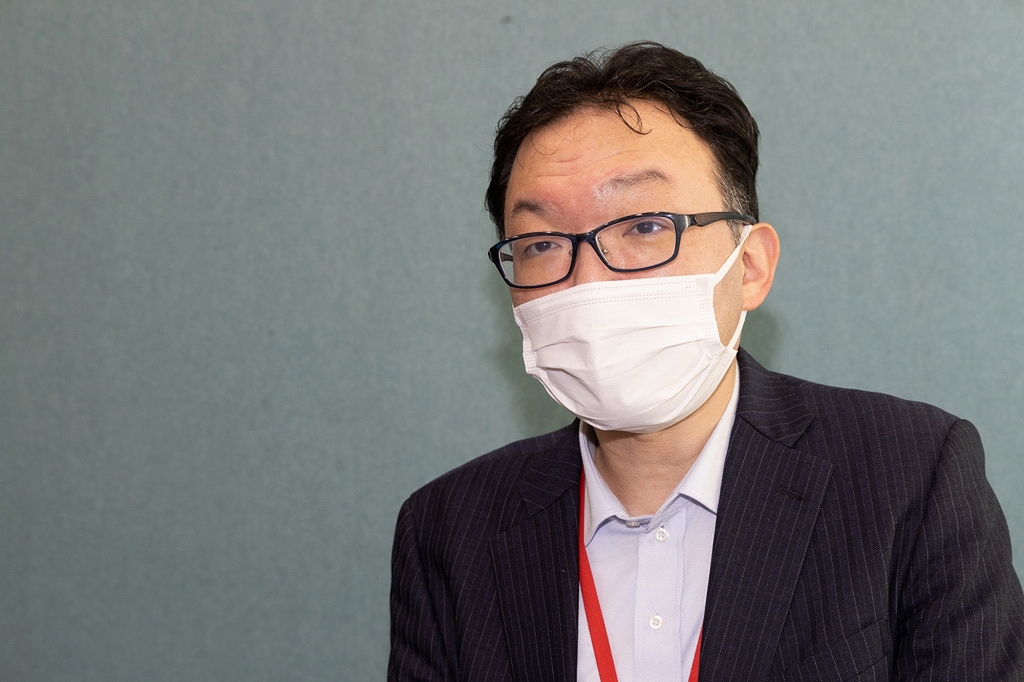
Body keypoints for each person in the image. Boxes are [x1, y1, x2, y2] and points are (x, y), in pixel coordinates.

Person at [388, 42, 1024, 681]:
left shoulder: (909, 477)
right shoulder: (448, 529)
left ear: (750, 266)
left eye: (644, 226)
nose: (587, 281)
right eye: (541, 243)